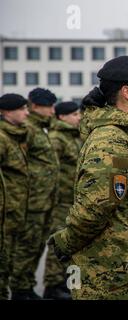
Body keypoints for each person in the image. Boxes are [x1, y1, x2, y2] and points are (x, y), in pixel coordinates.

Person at [49, 55, 128, 300]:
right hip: (113, 277)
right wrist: (65, 243)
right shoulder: (111, 142)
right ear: (127, 92)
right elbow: (96, 207)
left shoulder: (126, 136)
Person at [10, 88, 59, 300]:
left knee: (38, 245)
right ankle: (20, 288)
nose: (52, 111)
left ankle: (27, 286)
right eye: (49, 106)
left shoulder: (42, 128)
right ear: (36, 106)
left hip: (45, 199)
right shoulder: (28, 129)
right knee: (27, 246)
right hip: (32, 200)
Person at [43, 101, 83, 300]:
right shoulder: (57, 138)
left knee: (69, 243)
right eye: (74, 114)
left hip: (72, 200)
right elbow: (51, 170)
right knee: (57, 242)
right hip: (60, 200)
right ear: (62, 117)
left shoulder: (73, 137)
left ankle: (63, 283)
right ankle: (52, 284)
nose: (79, 117)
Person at [0, 94, 30, 299]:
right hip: (5, 212)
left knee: (9, 258)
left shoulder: (14, 136)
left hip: (14, 210)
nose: (27, 113)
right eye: (22, 109)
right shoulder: (2, 138)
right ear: (7, 112)